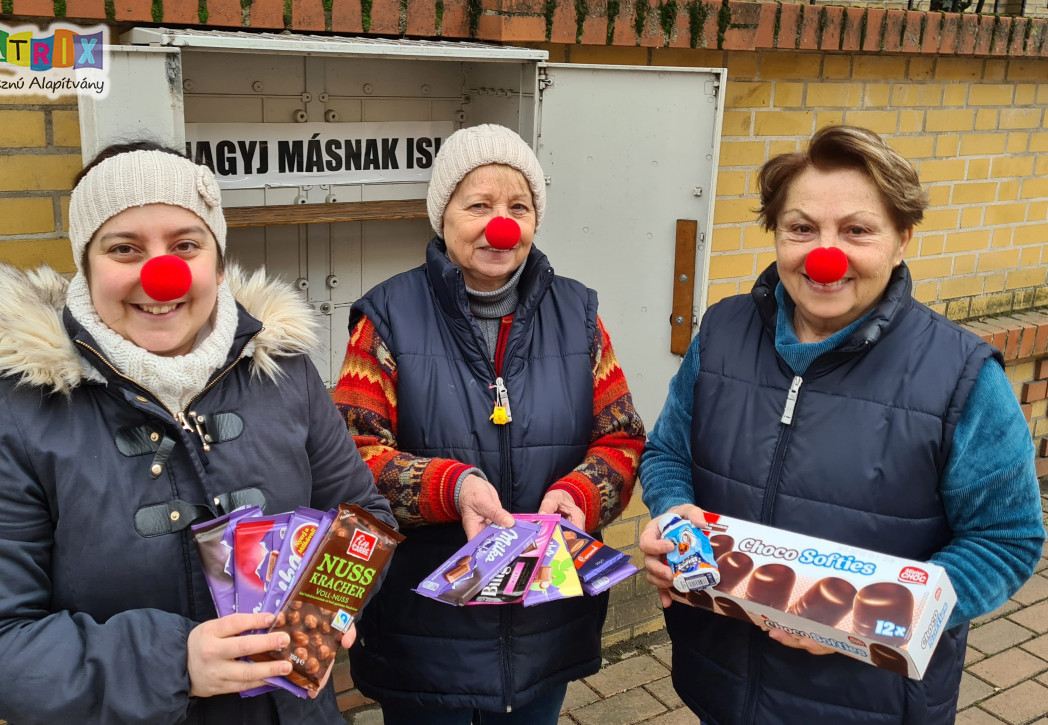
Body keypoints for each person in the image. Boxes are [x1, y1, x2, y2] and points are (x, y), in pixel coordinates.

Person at [0, 142, 395, 725]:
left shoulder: (285, 378)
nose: (159, 273)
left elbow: (364, 517)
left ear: (217, 265)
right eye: (124, 249)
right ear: (86, 266)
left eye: (184, 246)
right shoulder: (10, 421)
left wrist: (327, 605)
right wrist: (173, 664)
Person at [637, 125, 1045, 724]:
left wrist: (865, 616)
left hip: (868, 704)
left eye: (857, 230)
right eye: (801, 228)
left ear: (902, 239)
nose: (826, 254)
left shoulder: (960, 375)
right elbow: (668, 453)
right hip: (718, 681)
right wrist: (673, 515)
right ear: (776, 235)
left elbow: (1006, 542)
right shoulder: (722, 333)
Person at [332, 124, 647, 724]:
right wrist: (451, 487)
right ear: (442, 215)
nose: (500, 225)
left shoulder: (579, 316)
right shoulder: (387, 318)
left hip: (543, 624)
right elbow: (353, 456)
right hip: (425, 629)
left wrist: (580, 492)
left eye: (518, 208)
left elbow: (622, 437)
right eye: (478, 205)